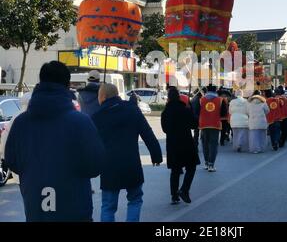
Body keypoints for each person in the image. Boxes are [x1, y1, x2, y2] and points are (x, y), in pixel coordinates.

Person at [4, 61, 105, 222]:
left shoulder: (21, 123)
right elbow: (95, 166)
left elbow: (11, 160)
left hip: (36, 207)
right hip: (75, 208)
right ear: (67, 84)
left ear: (41, 81)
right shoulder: (81, 122)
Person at [92, 83, 162, 222]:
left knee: (108, 206)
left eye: (99, 96)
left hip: (109, 167)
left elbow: (91, 143)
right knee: (135, 199)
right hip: (131, 163)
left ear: (103, 96)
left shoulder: (97, 116)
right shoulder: (132, 109)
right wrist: (156, 154)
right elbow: (147, 133)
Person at [161, 87, 200, 205]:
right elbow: (194, 125)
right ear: (178, 96)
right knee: (191, 167)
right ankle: (184, 189)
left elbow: (165, 129)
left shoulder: (165, 112)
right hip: (186, 142)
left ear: (168, 98)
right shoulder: (185, 109)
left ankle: (174, 196)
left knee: (175, 170)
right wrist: (190, 110)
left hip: (173, 144)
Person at [0, 92, 32, 184]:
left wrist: (5, 158)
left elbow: (5, 140)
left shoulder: (16, 117)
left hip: (21, 168)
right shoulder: (44, 115)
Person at [199, 85, 228, 172]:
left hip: (203, 125)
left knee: (205, 144)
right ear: (216, 91)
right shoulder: (220, 100)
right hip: (215, 124)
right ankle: (211, 165)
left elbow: (196, 111)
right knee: (213, 145)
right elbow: (224, 113)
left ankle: (206, 163)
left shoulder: (201, 100)